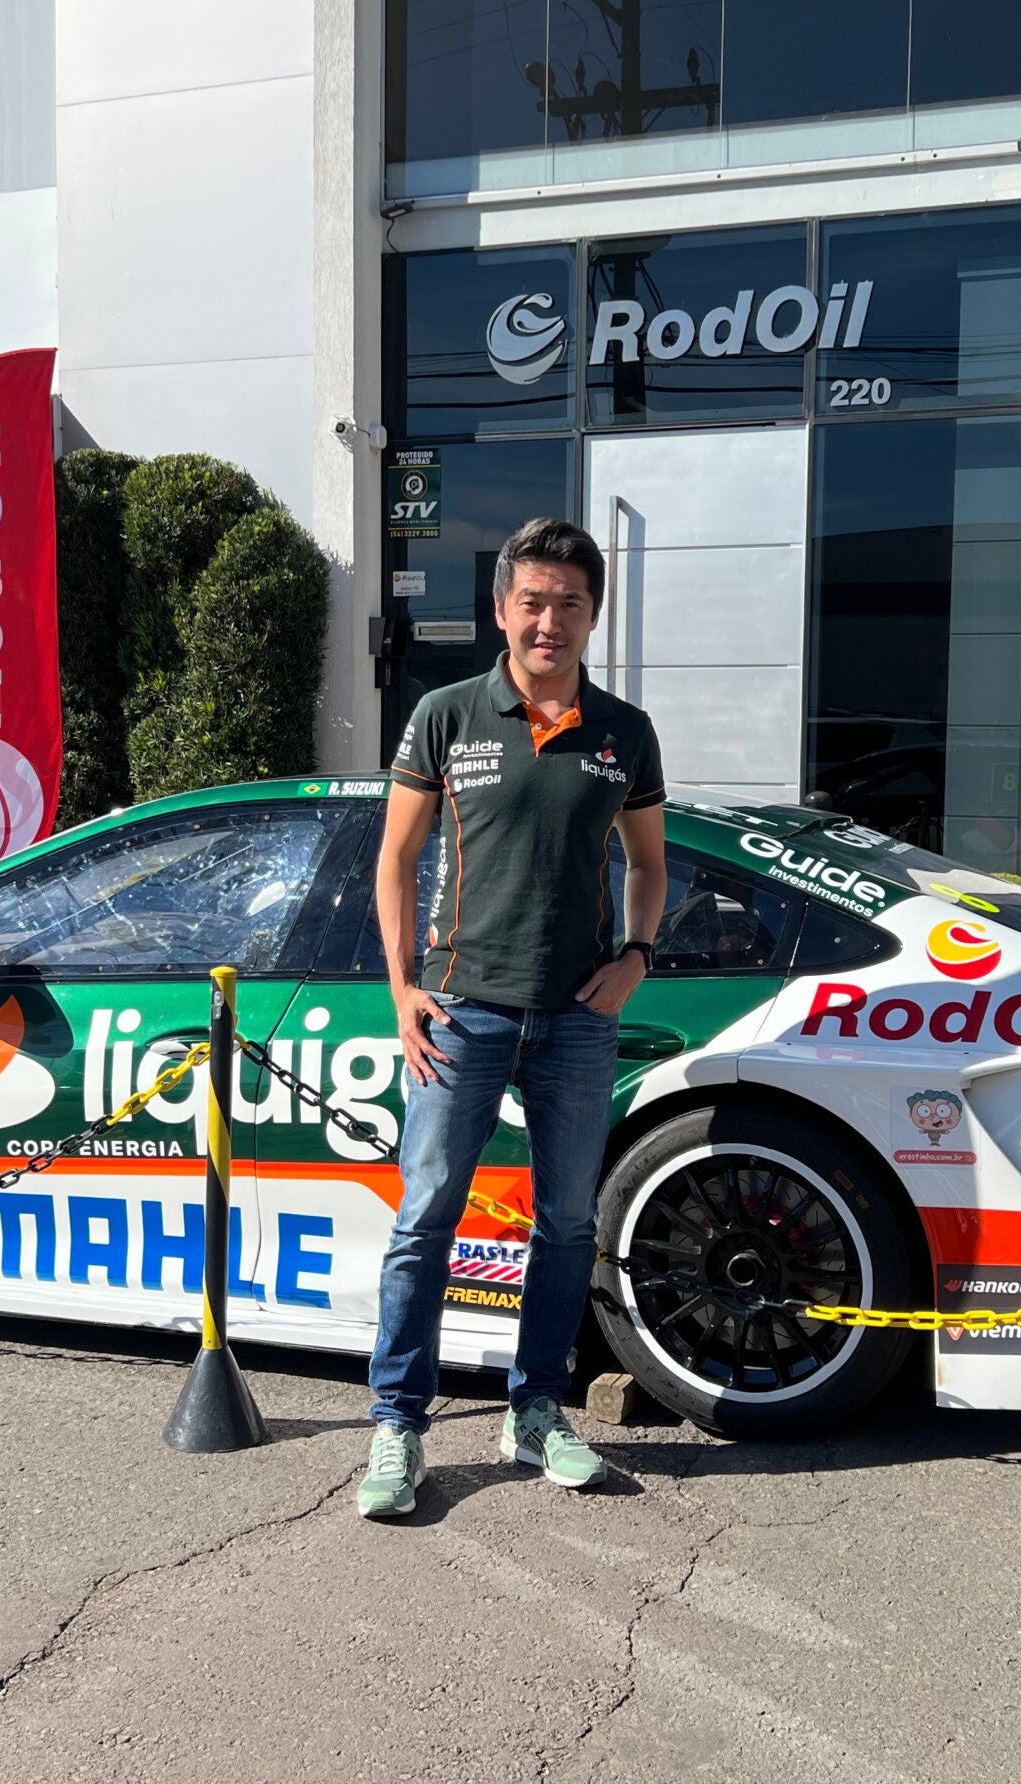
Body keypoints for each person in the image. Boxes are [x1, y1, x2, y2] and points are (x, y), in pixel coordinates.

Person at [356, 516, 666, 1520]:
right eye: (532, 601)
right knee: (426, 1219)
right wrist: (401, 988)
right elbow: (396, 859)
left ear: (593, 615)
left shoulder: (625, 730)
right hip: (461, 1012)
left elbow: (649, 864)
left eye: (569, 603)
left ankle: (535, 1411)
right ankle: (398, 1423)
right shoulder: (445, 715)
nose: (549, 621)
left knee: (568, 1222)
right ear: (501, 609)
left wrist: (636, 956)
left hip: (575, 1020)